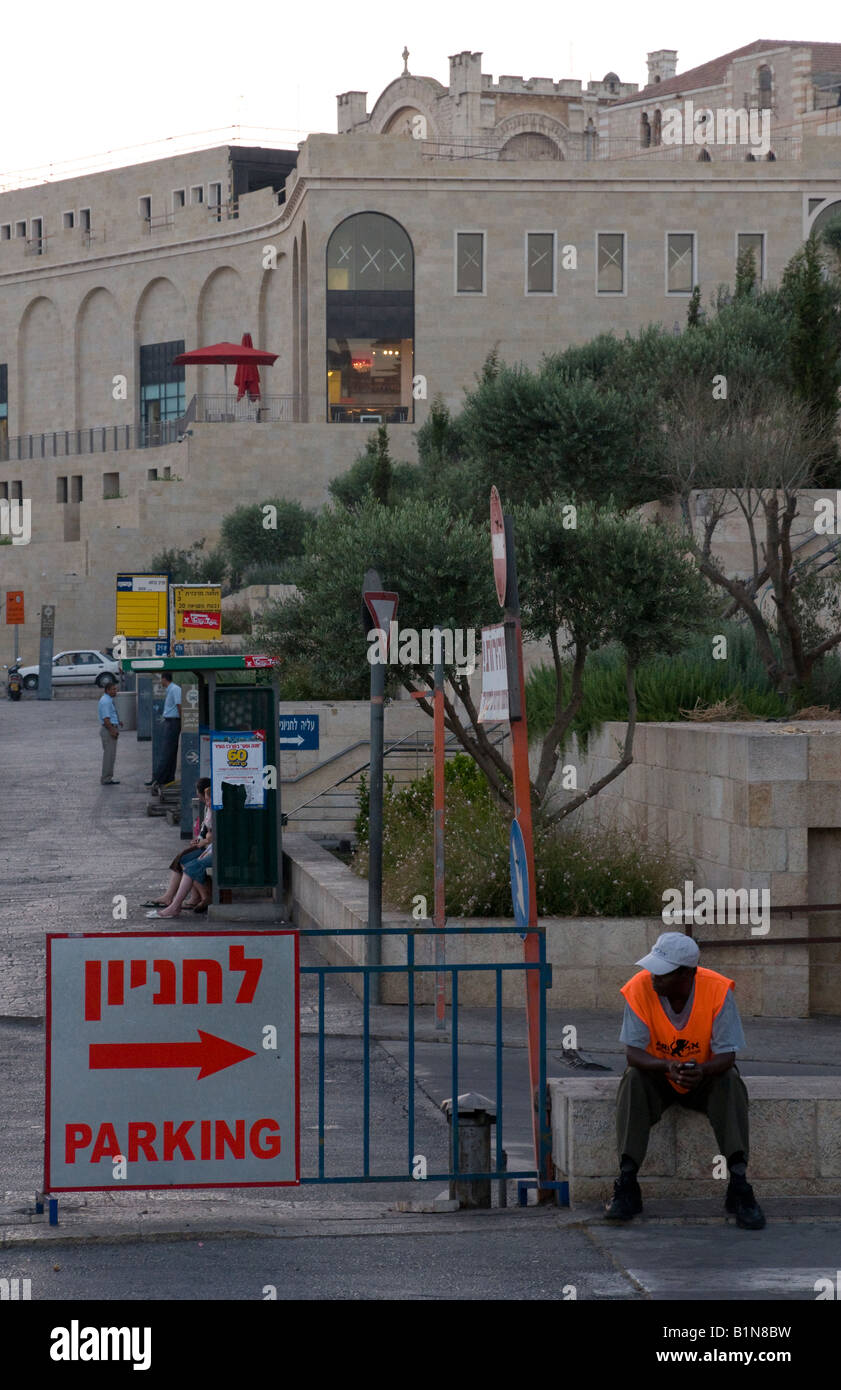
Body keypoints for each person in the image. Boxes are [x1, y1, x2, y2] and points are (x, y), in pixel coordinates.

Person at [605, 931, 765, 1230]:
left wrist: (701, 1071)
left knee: (730, 1081)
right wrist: (668, 1066)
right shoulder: (639, 988)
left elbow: (727, 1056)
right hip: (658, 1075)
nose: (653, 976)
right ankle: (627, 1183)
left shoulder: (717, 990)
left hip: (704, 1076)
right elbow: (633, 1053)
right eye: (653, 968)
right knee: (632, 1080)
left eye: (662, 972)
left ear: (687, 974)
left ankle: (739, 1186)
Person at [142, 778, 212, 911]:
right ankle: (183, 897)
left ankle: (202, 896)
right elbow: (205, 830)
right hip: (206, 845)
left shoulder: (213, 807)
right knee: (183, 858)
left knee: (187, 861)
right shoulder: (208, 807)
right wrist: (200, 839)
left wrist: (204, 840)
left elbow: (211, 834)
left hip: (209, 847)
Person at [146, 672, 182, 788]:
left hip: (173, 722)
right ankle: (168, 778)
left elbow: (179, 705)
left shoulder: (175, 689)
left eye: (161, 679)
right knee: (170, 751)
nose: (160, 682)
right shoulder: (170, 689)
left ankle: (158, 778)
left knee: (166, 751)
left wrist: (182, 721)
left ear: (164, 679)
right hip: (171, 721)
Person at [97, 679, 122, 785]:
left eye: (115, 689)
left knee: (110, 755)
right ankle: (106, 778)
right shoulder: (106, 701)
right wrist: (112, 730)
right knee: (109, 756)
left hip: (110, 728)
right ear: (107, 690)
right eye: (113, 689)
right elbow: (106, 719)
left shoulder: (108, 699)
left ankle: (108, 777)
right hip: (108, 730)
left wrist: (118, 722)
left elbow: (110, 715)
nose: (115, 691)